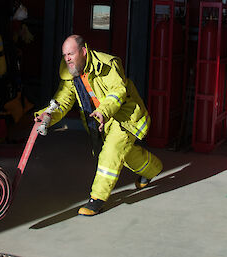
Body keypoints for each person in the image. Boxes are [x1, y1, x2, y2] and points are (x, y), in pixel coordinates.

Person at [35, 35, 163, 216]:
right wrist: (46, 115)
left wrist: (103, 112)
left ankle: (97, 199)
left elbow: (118, 91)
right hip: (104, 121)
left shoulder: (107, 64)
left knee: (110, 153)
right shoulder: (70, 72)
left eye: (70, 54)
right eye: (64, 55)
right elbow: (63, 101)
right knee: (124, 154)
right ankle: (153, 168)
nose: (67, 59)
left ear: (84, 51)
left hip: (124, 116)